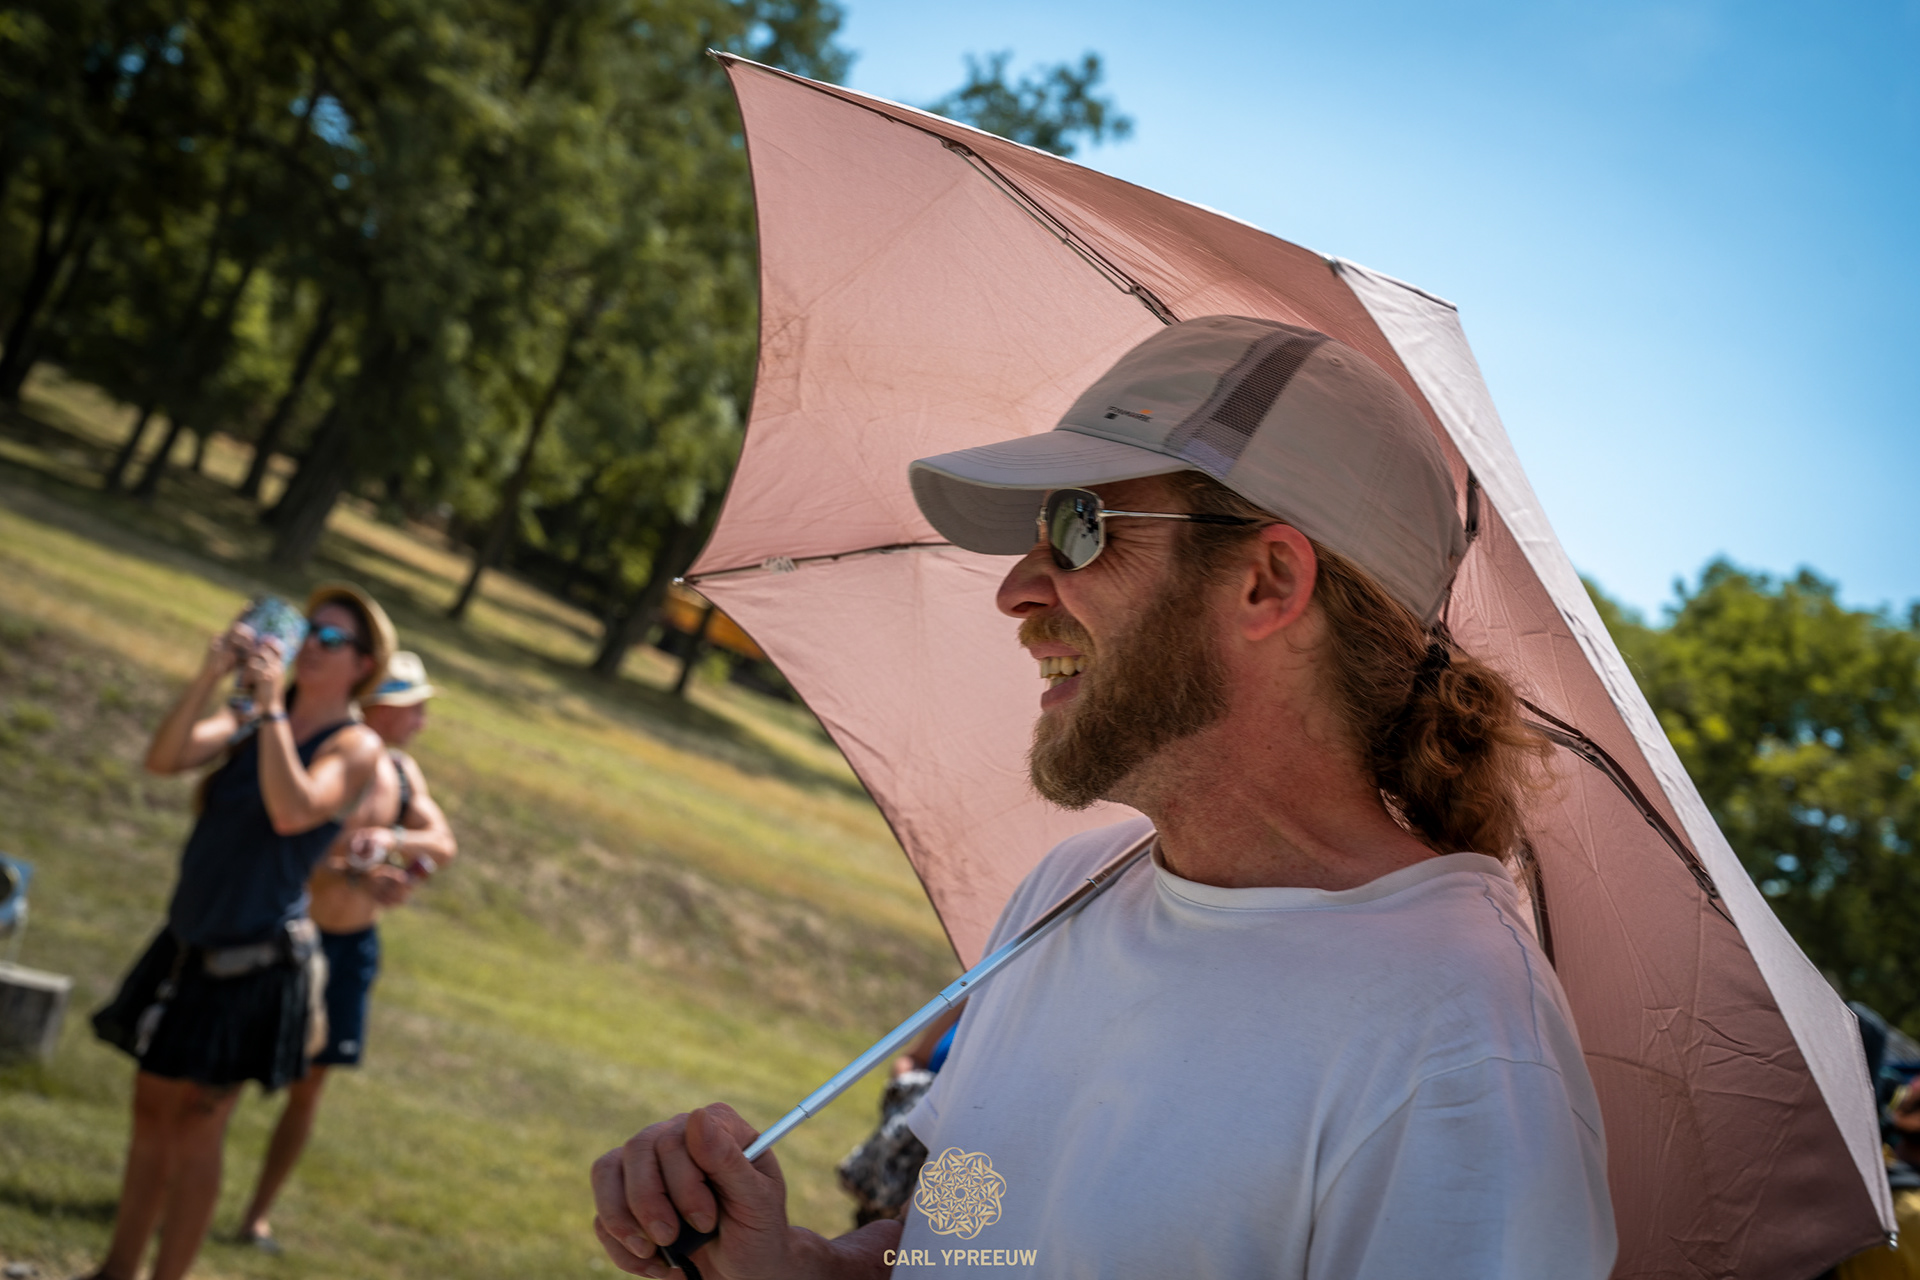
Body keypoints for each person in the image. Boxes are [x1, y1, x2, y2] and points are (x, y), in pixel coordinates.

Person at [590, 316, 1617, 1278]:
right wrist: (808, 1268)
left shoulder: (1462, 1046)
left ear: (1267, 581)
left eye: (1079, 527)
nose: (1016, 590)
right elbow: (975, 1238)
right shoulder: (1070, 889)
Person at [86, 583, 394, 1280]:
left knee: (197, 1129)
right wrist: (210, 675)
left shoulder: (356, 746)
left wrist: (271, 710)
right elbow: (164, 758)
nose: (311, 645)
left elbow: (294, 811)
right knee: (150, 1111)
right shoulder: (254, 713)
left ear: (363, 664)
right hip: (189, 941)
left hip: (254, 962)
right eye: (309, 631)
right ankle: (116, 1272)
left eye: (332, 638)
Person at [234, 650, 458, 1252]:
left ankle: (255, 1218)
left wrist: (393, 842)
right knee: (225, 1074)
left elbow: (443, 843)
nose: (421, 721)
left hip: (351, 947)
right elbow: (289, 854)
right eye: (413, 708)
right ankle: (180, 1194)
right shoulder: (336, 757)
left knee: (309, 1090)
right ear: (380, 706)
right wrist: (358, 874)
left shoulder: (402, 773)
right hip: (286, 938)